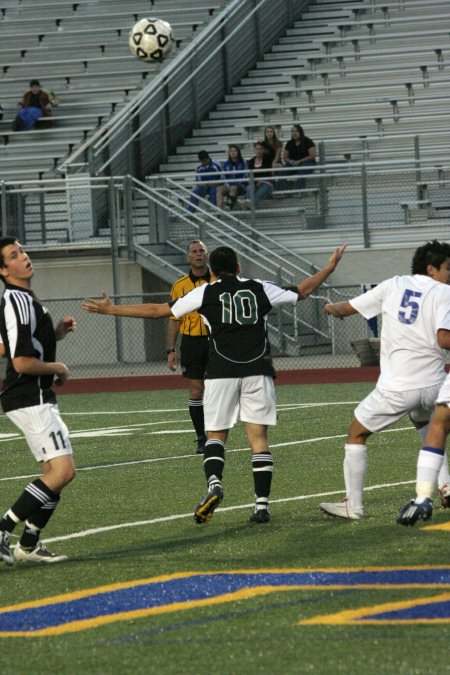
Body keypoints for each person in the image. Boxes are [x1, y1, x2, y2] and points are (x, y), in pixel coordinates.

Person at [81, 244, 347, 525]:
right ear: (239, 266)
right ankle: (261, 506)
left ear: (212, 271)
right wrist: (329, 268)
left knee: (216, 436)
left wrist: (111, 310)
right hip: (258, 370)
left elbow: (159, 310)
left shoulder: (205, 291)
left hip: (220, 372)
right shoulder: (259, 287)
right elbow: (302, 291)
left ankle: (214, 485)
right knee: (258, 439)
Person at [319, 240, 450, 521]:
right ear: (431, 269)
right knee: (429, 428)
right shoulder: (444, 292)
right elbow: (442, 338)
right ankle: (445, 486)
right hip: (435, 384)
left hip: (399, 386)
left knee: (356, 432)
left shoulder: (393, 284)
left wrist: (329, 308)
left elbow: (345, 309)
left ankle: (352, 505)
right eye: (448, 268)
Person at [0, 237, 76, 566]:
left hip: (35, 395)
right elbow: (20, 362)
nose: (24, 257)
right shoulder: (16, 300)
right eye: (14, 256)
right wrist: (58, 366)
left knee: (53, 472)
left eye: (23, 251)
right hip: (29, 396)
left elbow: (14, 346)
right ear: (3, 270)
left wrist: (55, 334)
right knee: (62, 472)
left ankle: (28, 545)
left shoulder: (25, 299)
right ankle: (4, 530)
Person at [167, 240, 214, 454]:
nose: (198, 255)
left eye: (201, 251)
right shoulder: (180, 285)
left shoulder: (218, 280)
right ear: (188, 257)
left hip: (216, 341)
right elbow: (173, 318)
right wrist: (171, 350)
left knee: (220, 388)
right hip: (191, 343)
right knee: (196, 390)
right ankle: (201, 437)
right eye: (194, 252)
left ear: (207, 254)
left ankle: (216, 433)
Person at [397, 373, 450, 526]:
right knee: (431, 423)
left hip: (419, 380)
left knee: (436, 425)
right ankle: (444, 485)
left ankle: (353, 504)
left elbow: (443, 346)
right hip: (429, 378)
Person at [282, 124, 316, 191]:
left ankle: (299, 191)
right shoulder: (289, 143)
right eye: (292, 131)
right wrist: (290, 161)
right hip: (293, 164)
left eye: (296, 131)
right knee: (282, 171)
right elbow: (285, 157)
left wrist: (300, 161)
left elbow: (312, 155)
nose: (294, 133)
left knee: (302, 169)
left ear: (301, 132)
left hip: (308, 163)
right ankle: (281, 191)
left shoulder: (308, 141)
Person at [242, 141, 274, 209]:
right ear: (254, 150)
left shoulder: (268, 159)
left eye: (261, 149)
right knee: (250, 187)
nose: (259, 151)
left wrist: (263, 142)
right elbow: (250, 175)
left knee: (259, 193)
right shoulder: (251, 162)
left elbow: (272, 150)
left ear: (264, 150)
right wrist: (256, 182)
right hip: (255, 182)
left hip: (266, 182)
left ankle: (248, 205)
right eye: (257, 149)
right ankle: (247, 201)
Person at [216, 145, 247, 210]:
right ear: (229, 153)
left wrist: (236, 183)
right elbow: (224, 176)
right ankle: (219, 209)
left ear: (238, 152)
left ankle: (228, 205)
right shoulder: (226, 163)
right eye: (231, 151)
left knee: (233, 187)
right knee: (219, 189)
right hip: (229, 185)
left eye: (235, 151)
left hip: (240, 185)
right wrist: (228, 184)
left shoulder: (243, 162)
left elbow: (244, 175)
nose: (233, 152)